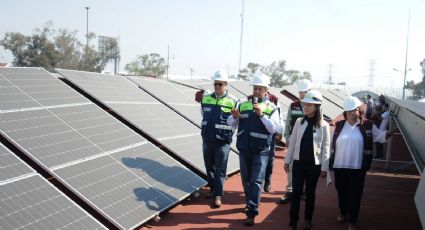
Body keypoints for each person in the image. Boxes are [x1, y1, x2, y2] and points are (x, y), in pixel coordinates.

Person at [330, 96, 392, 230]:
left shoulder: (367, 125)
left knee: (355, 194)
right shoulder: (339, 126)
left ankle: (352, 220)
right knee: (341, 192)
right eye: (349, 110)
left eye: (355, 110)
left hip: (358, 167)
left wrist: (387, 134)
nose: (352, 113)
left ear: (359, 111)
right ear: (345, 112)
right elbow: (330, 144)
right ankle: (342, 211)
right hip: (340, 166)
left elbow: (379, 136)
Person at [227, 72, 279, 226]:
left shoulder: (272, 108)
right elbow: (230, 123)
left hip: (261, 151)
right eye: (255, 88)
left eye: (260, 89)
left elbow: (273, 128)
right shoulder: (242, 104)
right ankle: (250, 201)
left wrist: (262, 115)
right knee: (246, 180)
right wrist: (235, 116)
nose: (256, 91)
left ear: (266, 91)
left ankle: (251, 210)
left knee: (256, 180)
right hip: (244, 148)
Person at [284, 90, 330, 230]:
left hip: (314, 166)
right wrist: (287, 160)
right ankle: (293, 222)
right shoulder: (299, 122)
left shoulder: (324, 125)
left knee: (310, 194)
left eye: (309, 105)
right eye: (305, 104)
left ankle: (308, 219)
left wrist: (324, 168)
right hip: (298, 164)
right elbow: (292, 143)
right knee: (296, 194)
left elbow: (326, 147)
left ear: (316, 107)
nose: (305, 107)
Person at [200, 70, 237, 208]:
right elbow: (203, 114)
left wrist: (234, 118)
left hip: (222, 141)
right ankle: (213, 188)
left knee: (220, 169)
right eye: (215, 84)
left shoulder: (233, 101)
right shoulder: (206, 99)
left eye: (220, 84)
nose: (217, 87)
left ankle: (218, 195)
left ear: (226, 85)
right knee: (209, 167)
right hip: (207, 139)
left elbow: (234, 122)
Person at [280, 79, 313, 204]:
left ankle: (303, 191)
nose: (302, 94)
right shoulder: (293, 105)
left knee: (306, 166)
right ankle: (290, 190)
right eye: (301, 92)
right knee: (290, 166)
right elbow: (288, 123)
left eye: (305, 92)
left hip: (308, 143)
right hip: (294, 142)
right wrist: (287, 138)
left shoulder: (315, 107)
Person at [248, 92, 283, 193]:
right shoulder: (250, 98)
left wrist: (280, 131)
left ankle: (267, 179)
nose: (258, 90)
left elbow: (279, 116)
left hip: (269, 132)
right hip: (256, 132)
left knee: (270, 158)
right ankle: (256, 182)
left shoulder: (274, 98)